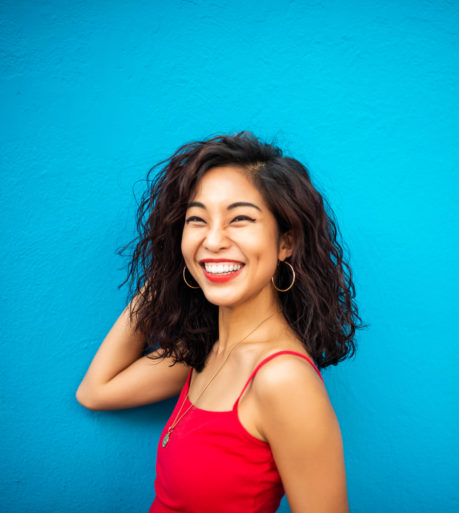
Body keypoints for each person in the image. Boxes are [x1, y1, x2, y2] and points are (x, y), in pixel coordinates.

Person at [76, 132, 362, 513]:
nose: (212, 240)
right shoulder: (203, 352)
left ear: (285, 242)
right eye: (197, 220)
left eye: (240, 218)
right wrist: (168, 273)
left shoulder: (282, 379)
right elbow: (96, 391)